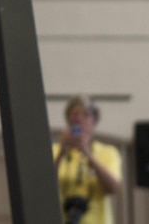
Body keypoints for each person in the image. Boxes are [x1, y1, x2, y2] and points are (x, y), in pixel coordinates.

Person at [53, 95, 123, 224]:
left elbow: (113, 188)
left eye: (85, 115)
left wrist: (89, 155)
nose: (79, 119)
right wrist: (61, 153)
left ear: (94, 121)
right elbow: (41, 186)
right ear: (68, 119)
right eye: (74, 114)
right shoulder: (55, 151)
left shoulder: (107, 152)